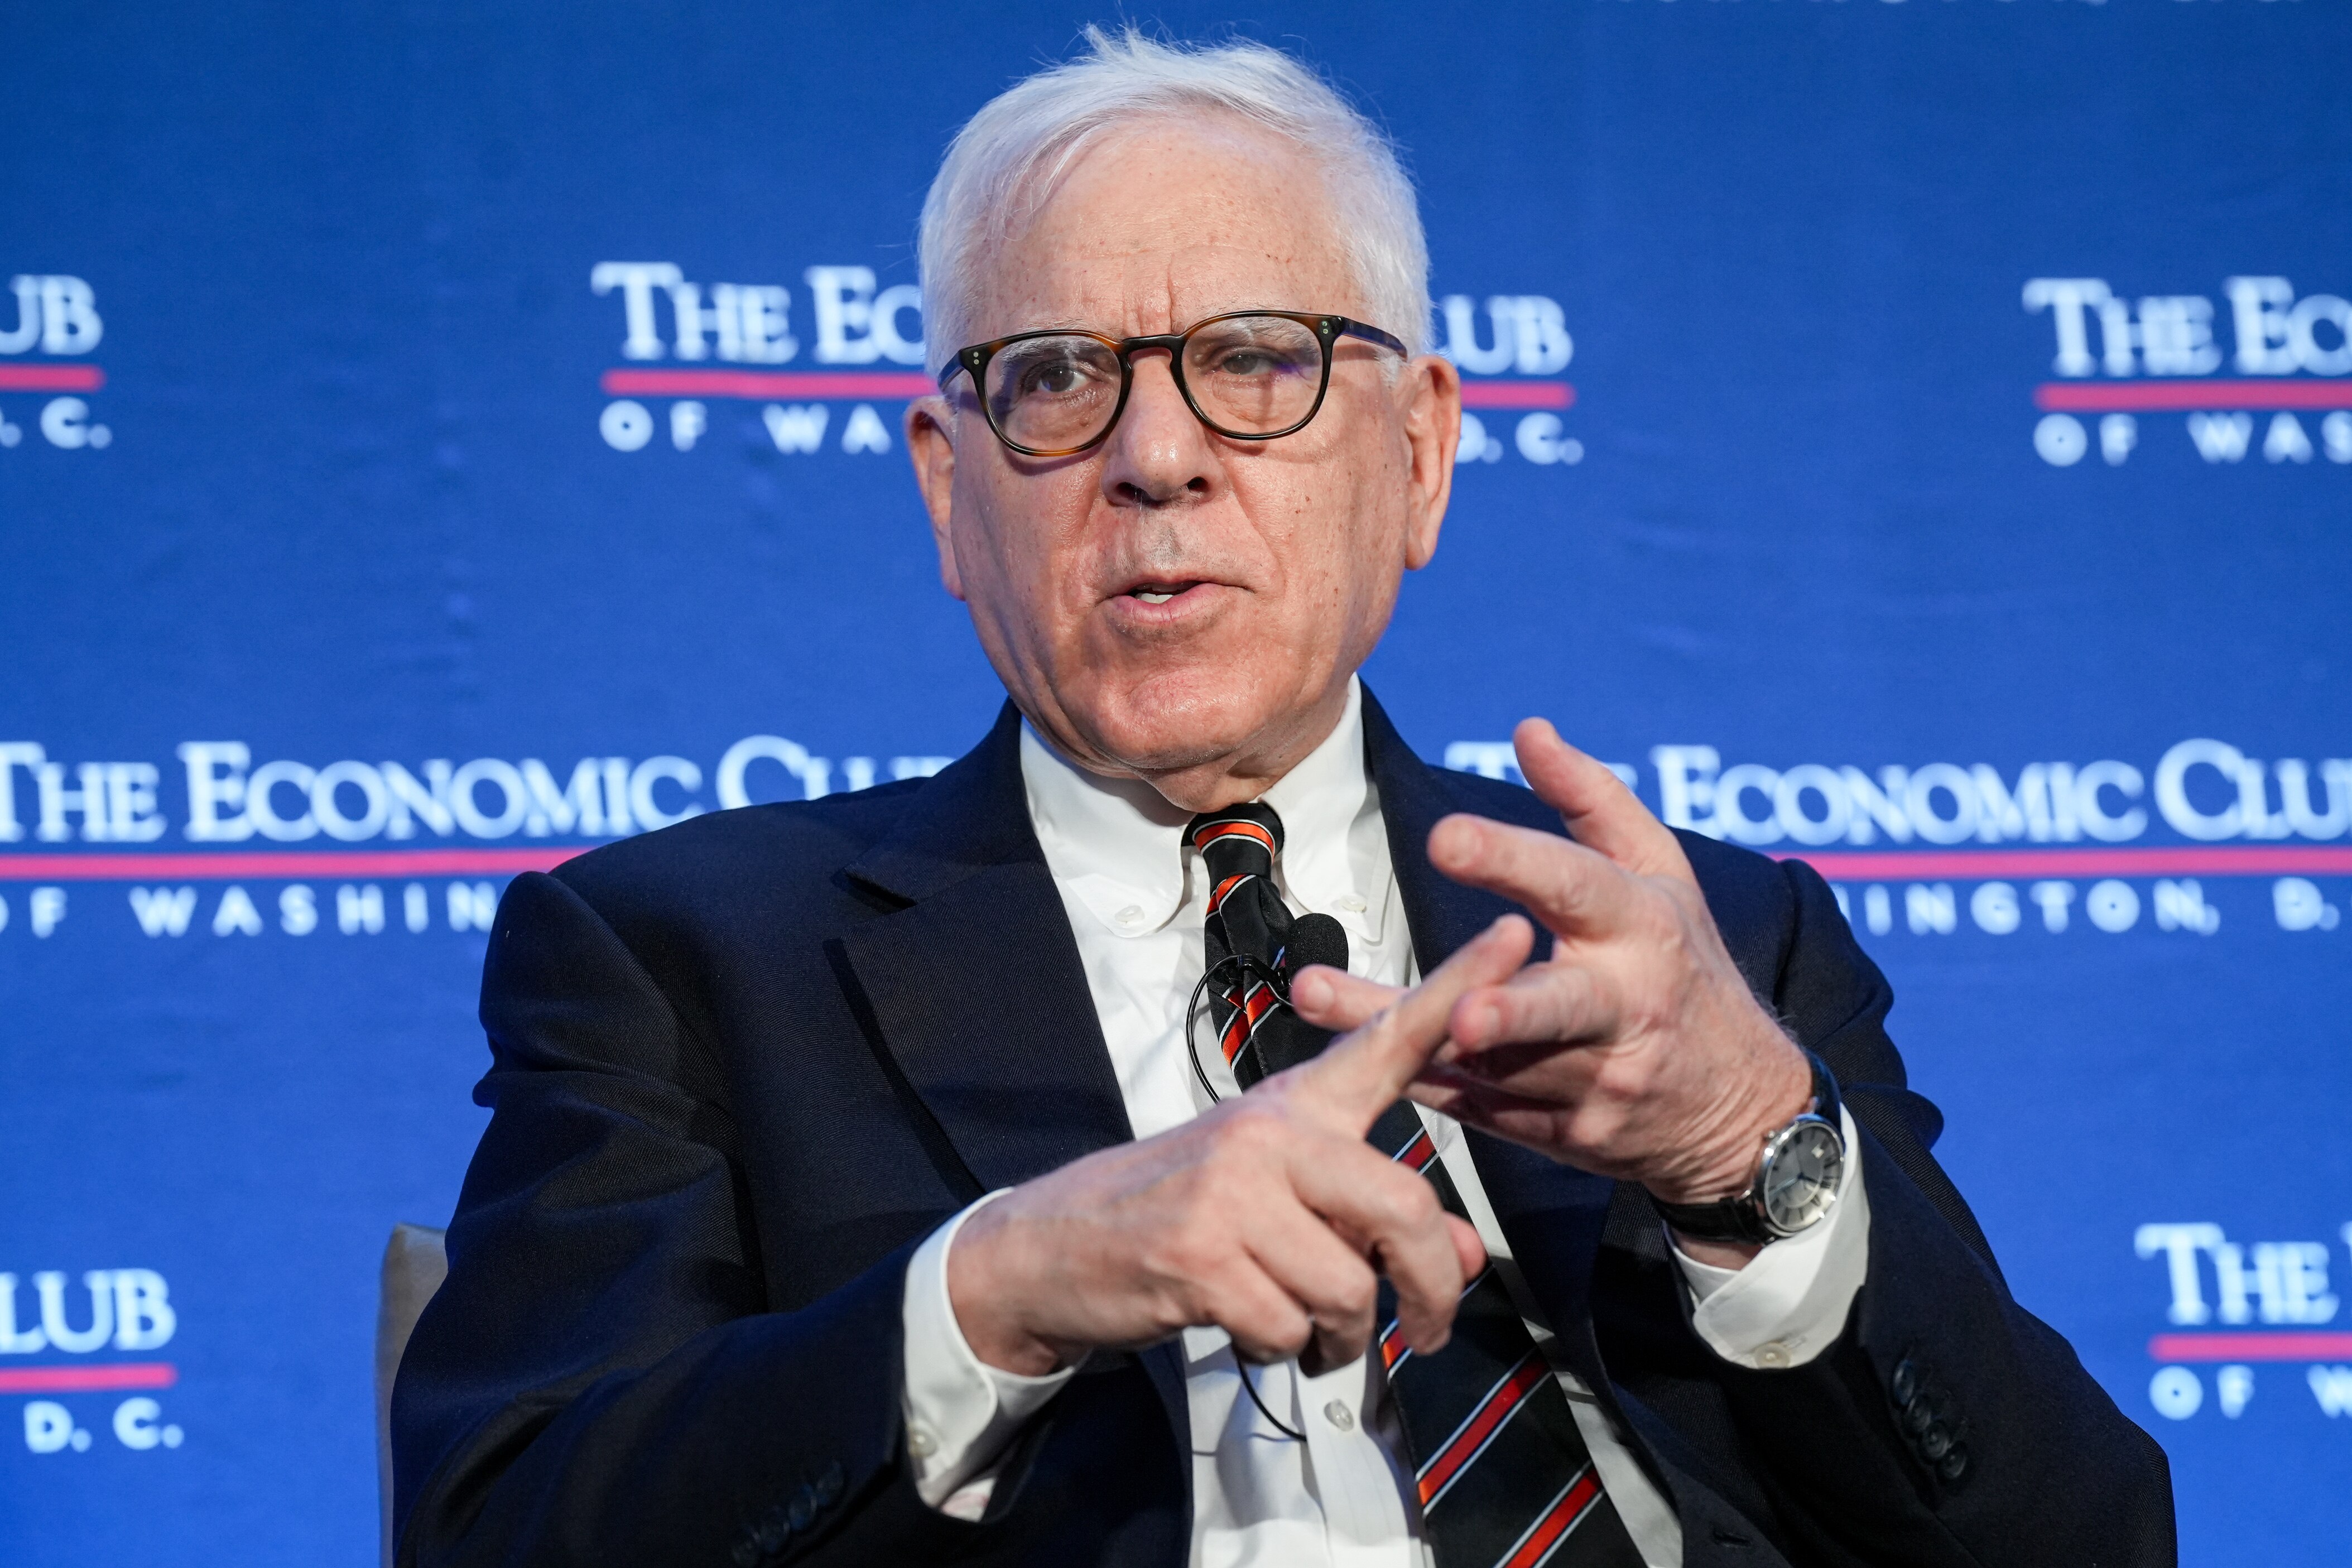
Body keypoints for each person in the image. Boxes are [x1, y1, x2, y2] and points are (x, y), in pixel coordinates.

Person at [391, 28, 2173, 1568]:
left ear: (1418, 455)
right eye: (1059, 378)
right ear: (950, 491)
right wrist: (998, 1282)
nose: (1154, 458)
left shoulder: (1692, 941)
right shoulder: (679, 954)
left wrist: (1750, 1153)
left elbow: (2083, 1536)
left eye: (1257, 361)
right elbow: (507, 1526)